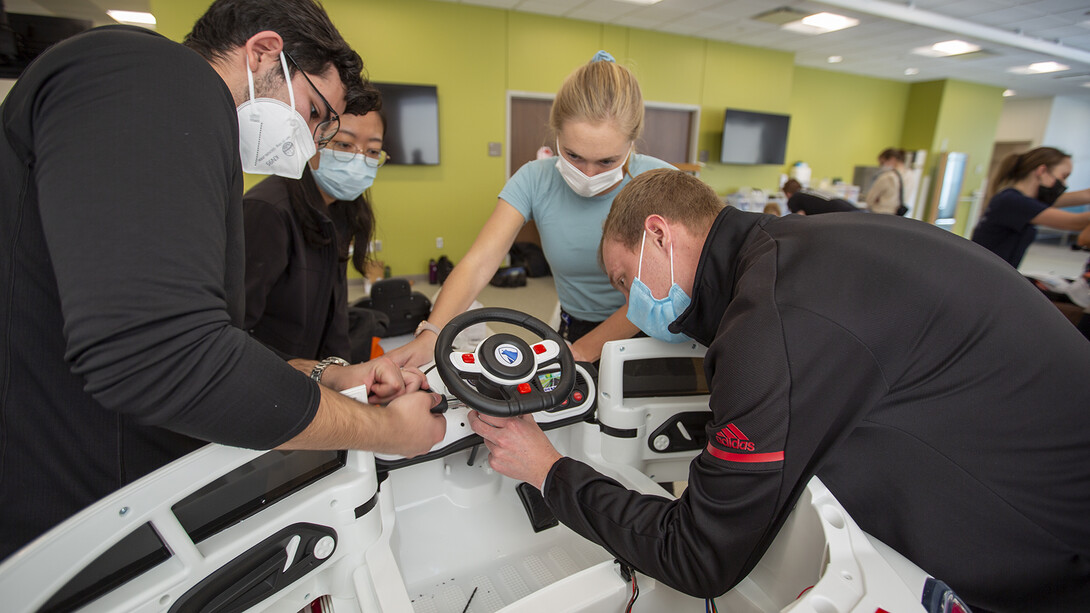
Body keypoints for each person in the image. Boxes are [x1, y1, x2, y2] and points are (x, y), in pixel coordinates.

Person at [470, 168, 1090, 612]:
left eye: (625, 279)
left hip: (1051, 555)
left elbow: (700, 558)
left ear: (659, 235)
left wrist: (549, 469)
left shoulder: (771, 325)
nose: (630, 303)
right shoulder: (798, 246)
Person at [0, 0, 445, 561]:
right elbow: (165, 356)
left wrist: (333, 376)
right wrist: (385, 432)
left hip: (136, 491)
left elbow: (210, 340)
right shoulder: (148, 73)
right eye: (315, 114)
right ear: (263, 52)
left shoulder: (189, 130)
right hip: (73, 515)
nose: (311, 142)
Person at [386, 50, 674, 367]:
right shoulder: (535, 179)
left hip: (650, 335)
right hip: (574, 325)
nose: (589, 174)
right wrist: (432, 333)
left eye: (607, 161)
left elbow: (660, 291)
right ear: (556, 135)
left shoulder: (661, 184)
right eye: (574, 155)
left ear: (632, 144)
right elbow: (480, 262)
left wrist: (585, 350)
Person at [243, 93, 386, 362]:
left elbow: (336, 315)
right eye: (344, 144)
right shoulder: (268, 210)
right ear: (313, 138)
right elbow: (234, 328)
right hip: (271, 374)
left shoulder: (341, 209)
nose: (359, 159)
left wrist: (340, 373)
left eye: (373, 151)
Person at [971, 146, 1090, 269]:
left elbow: (1086, 195)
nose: (1065, 184)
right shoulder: (1013, 201)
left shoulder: (1020, 199)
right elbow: (1075, 222)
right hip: (984, 274)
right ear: (1042, 171)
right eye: (1063, 176)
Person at [863, 147, 907, 215]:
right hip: (896, 216)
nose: (881, 166)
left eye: (882, 163)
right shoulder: (911, 175)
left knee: (840, 203)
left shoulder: (887, 176)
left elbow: (869, 200)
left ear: (892, 159)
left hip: (879, 214)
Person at [781, 178, 861, 215]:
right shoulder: (809, 191)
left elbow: (800, 219)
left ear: (788, 194)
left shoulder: (794, 198)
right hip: (850, 207)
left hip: (840, 215)